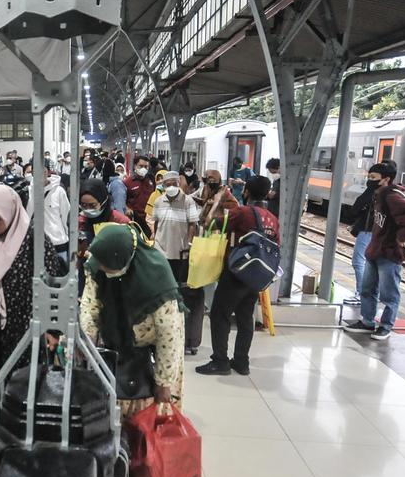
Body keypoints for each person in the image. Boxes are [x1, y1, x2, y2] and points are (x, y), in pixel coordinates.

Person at [0, 185, 66, 464]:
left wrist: (52, 333)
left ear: (12, 211)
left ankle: (17, 448)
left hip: (25, 328)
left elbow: (50, 287)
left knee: (20, 386)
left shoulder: (34, 240)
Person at [80, 224, 185, 416]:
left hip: (151, 358)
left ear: (122, 260)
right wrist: (85, 346)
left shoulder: (157, 279)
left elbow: (169, 336)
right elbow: (89, 307)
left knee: (148, 421)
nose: (102, 269)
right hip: (114, 350)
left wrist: (164, 382)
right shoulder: (98, 264)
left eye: (107, 266)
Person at [196, 176, 279, 376]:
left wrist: (217, 202)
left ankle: (220, 361)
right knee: (245, 317)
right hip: (256, 275)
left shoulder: (242, 213)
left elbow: (209, 224)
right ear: (267, 193)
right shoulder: (272, 218)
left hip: (236, 273)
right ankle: (242, 362)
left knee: (219, 314)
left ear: (246, 192)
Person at [344, 162, 405, 341]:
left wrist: (401, 238)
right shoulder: (379, 194)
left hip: (389, 253)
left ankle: (386, 325)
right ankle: (367, 321)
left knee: (389, 292)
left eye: (373, 178)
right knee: (368, 288)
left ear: (386, 179)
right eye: (369, 177)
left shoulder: (392, 197)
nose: (369, 181)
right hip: (375, 249)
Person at [151, 172, 203, 355]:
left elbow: (193, 224)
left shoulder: (187, 201)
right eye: (168, 183)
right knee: (163, 292)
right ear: (163, 185)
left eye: (174, 183)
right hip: (161, 252)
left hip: (181, 254)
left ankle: (181, 331)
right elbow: (156, 224)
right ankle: (162, 329)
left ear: (179, 183)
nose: (171, 186)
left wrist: (189, 244)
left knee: (179, 293)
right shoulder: (159, 201)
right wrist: (154, 240)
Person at [42, 169, 72, 261]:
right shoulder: (29, 191)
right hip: (36, 243)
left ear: (48, 172)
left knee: (60, 272)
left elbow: (66, 215)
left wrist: (67, 235)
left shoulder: (58, 191)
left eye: (43, 171)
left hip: (57, 241)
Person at [123, 155, 155, 221]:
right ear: (135, 166)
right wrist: (127, 209)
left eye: (146, 167)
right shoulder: (128, 182)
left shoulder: (152, 181)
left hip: (149, 217)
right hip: (134, 218)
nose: (143, 169)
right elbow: (123, 200)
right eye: (141, 166)